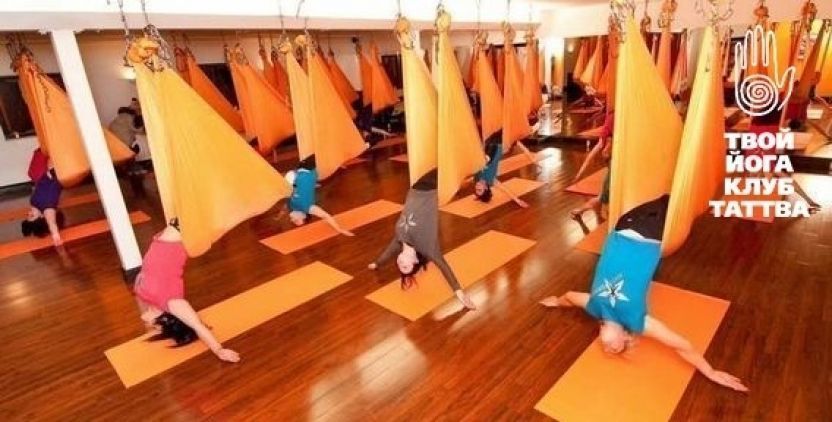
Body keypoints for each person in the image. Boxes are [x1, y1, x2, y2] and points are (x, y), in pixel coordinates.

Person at [540, 196, 748, 392]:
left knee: (671, 197)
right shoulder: (637, 321)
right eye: (615, 349)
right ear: (626, 336)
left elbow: (569, 296)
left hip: (623, 227)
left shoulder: (594, 307)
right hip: (651, 233)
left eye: (606, 349)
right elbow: (681, 345)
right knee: (684, 199)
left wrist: (556, 302)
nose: (607, 348)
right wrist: (710, 372)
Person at [134, 220, 240, 363]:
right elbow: (197, 325)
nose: (150, 325)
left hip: (170, 234)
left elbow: (144, 310)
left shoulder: (143, 296)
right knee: (229, 215)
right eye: (155, 327)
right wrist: (218, 349)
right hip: (181, 235)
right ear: (167, 320)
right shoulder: (172, 302)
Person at [369, 169, 476, 310]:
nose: (400, 263)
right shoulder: (428, 248)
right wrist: (460, 294)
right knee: (458, 167)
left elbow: (387, 253)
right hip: (432, 188)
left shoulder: (400, 239)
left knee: (451, 166)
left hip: (416, 187)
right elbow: (445, 268)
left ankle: (472, 172)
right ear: (415, 261)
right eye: (405, 266)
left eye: (399, 266)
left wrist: (376, 264)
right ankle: (478, 166)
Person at [747, 110, 821, 214]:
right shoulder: (771, 130)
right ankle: (809, 201)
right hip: (760, 157)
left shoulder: (758, 127)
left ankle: (809, 201)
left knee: (763, 176)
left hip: (759, 156)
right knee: (765, 177)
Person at [284, 155, 355, 236]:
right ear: (303, 216)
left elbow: (290, 195)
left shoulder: (291, 206)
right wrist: (340, 230)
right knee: (322, 153)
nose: (292, 220)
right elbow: (326, 216)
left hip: (299, 171)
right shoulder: (308, 207)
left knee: (289, 179)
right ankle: (338, 161)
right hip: (309, 169)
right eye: (296, 221)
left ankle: (337, 163)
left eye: (293, 221)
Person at [570, 110, 614, 225]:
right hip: (613, 167)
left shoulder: (610, 138)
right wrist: (579, 173)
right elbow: (592, 155)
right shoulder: (606, 138)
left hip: (614, 167)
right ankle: (583, 211)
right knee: (602, 197)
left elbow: (597, 152)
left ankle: (582, 211)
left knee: (602, 197)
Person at [473, 132, 529, 208]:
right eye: (479, 190)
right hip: (497, 147)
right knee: (487, 160)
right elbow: (505, 190)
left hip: (487, 145)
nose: (477, 187)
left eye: (476, 190)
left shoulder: (476, 178)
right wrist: (518, 201)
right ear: (486, 188)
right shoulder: (491, 180)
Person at [22, 149, 64, 247]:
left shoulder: (33, 202)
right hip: (53, 175)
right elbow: (52, 224)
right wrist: (56, 236)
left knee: (32, 173)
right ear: (42, 217)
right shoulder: (47, 209)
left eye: (28, 215)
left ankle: (44, 149)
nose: (29, 213)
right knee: (52, 154)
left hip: (44, 174)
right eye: (32, 216)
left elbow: (37, 188)